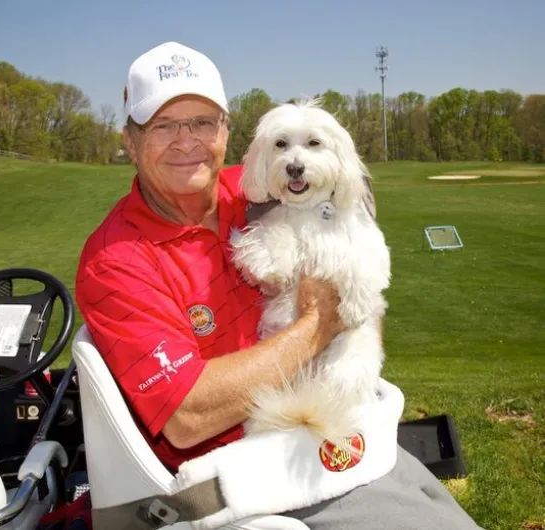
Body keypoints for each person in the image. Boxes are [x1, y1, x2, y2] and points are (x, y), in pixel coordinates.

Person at [75, 41, 483, 530]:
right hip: (252, 478)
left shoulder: (257, 187)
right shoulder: (115, 262)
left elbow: (357, 250)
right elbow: (188, 418)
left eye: (203, 123)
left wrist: (357, 306)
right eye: (163, 125)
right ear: (130, 139)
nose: (187, 141)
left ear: (226, 131)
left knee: (446, 512)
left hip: (333, 433)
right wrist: (319, 325)